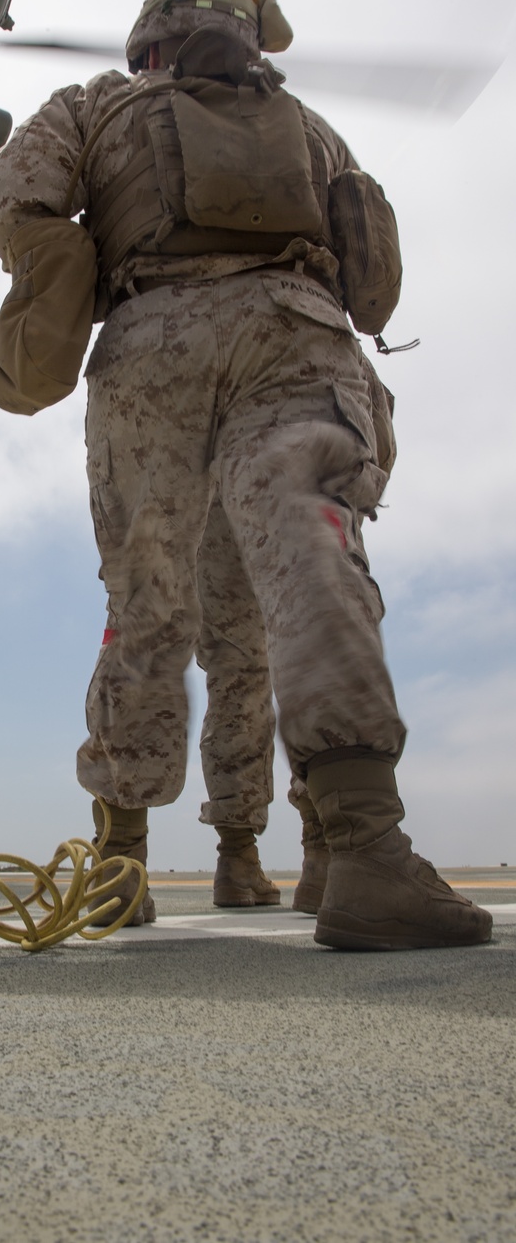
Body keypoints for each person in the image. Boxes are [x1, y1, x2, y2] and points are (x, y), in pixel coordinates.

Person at [0, 0, 491, 951]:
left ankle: (119, 865)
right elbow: (372, 284)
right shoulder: (309, 129)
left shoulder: (93, 105)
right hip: (293, 331)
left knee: (144, 605)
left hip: (148, 344)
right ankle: (359, 853)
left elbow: (17, 195)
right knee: (309, 560)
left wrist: (44, 303)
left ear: (150, 44)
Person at [199, 352, 397, 914]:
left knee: (235, 673)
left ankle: (236, 861)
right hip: (295, 485)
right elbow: (374, 436)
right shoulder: (315, 318)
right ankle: (323, 855)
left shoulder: (180, 301)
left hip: (210, 513)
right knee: (312, 646)